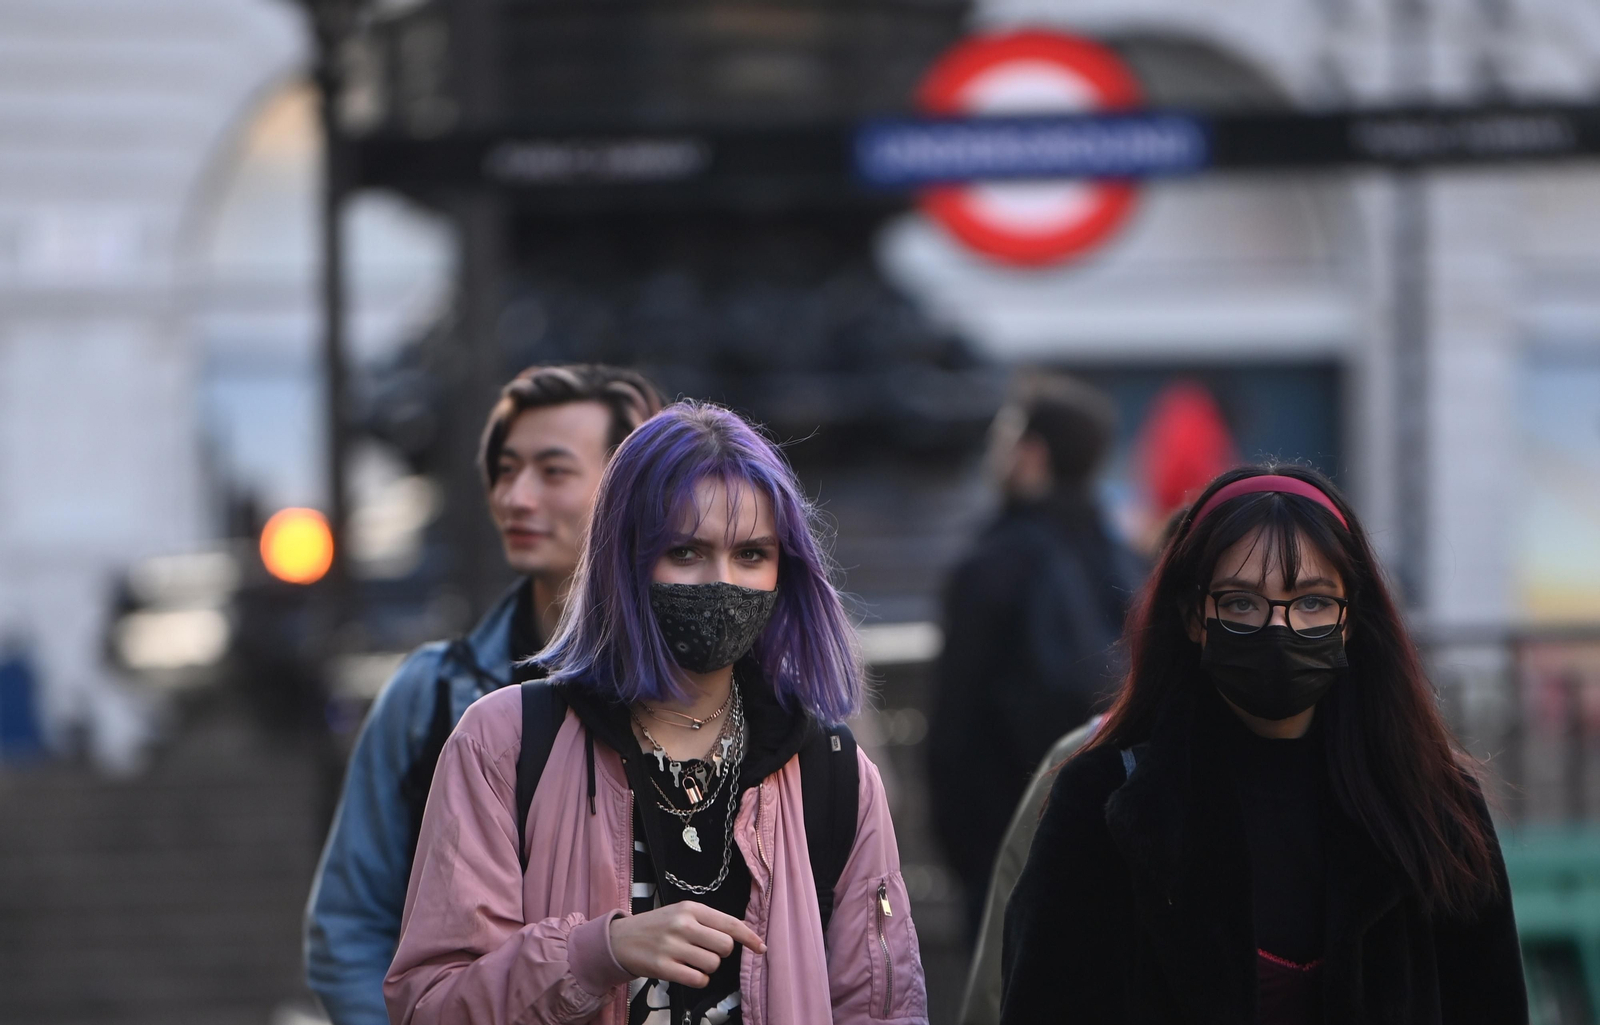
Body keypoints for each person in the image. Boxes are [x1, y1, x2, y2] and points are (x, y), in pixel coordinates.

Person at [384, 402, 928, 1025]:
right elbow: (429, 1005)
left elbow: (879, 1007)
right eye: (686, 552)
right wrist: (599, 952)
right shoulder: (504, 744)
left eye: (751, 554)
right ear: (626, 561)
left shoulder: (833, 771)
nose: (721, 582)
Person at [1000, 466, 1528, 1024]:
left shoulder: (1434, 807)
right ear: (1193, 616)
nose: (1280, 628)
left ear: (1351, 619)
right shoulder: (1108, 802)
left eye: (1313, 602)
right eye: (1242, 603)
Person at [304, 364, 663, 1025]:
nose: (516, 497)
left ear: (633, 488)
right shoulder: (429, 693)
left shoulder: (719, 686)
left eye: (553, 471)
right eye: (505, 469)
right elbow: (350, 927)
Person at [927, 373, 1143, 936]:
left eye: (1004, 439)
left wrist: (963, 852)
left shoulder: (992, 565)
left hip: (1009, 845)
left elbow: (954, 727)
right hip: (1120, 837)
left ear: (1032, 452)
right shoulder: (1127, 561)